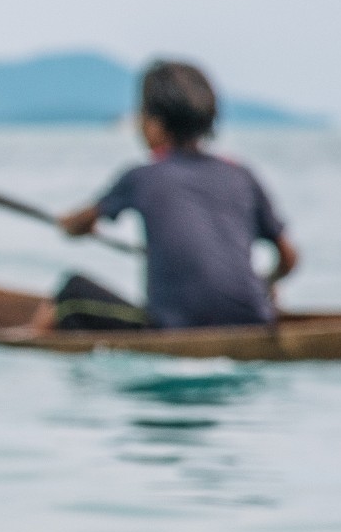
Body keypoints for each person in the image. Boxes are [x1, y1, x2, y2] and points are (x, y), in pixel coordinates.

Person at [44, 60, 299, 331]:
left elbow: (76, 225)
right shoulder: (241, 175)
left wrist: (71, 223)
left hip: (173, 328)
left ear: (155, 124)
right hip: (253, 321)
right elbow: (289, 258)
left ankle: (21, 339)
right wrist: (264, 285)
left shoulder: (142, 177)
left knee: (69, 294)